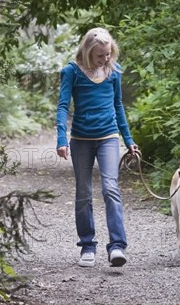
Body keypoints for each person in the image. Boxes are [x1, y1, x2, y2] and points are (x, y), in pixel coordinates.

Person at [56, 27, 137, 268]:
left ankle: (117, 247)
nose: (106, 59)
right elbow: (62, 106)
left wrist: (129, 139)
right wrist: (61, 139)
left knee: (111, 188)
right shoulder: (71, 71)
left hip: (108, 137)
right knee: (83, 192)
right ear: (89, 52)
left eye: (108, 54)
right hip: (81, 139)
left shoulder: (114, 71)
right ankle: (87, 247)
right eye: (101, 55)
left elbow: (118, 105)